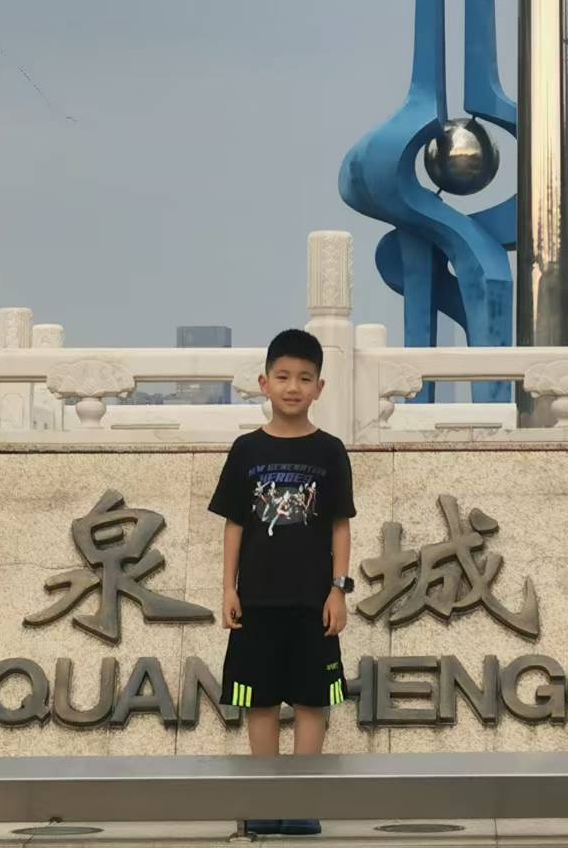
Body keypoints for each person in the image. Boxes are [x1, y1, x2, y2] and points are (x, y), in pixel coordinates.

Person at [208, 328, 355, 837]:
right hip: (257, 601)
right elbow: (234, 524)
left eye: (305, 378)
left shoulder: (330, 451)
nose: (294, 387)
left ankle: (301, 801)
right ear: (264, 383)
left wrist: (338, 589)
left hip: (314, 602)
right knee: (260, 700)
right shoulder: (246, 450)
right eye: (284, 376)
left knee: (312, 700)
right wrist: (229, 588)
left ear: (320, 388)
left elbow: (339, 525)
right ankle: (265, 800)